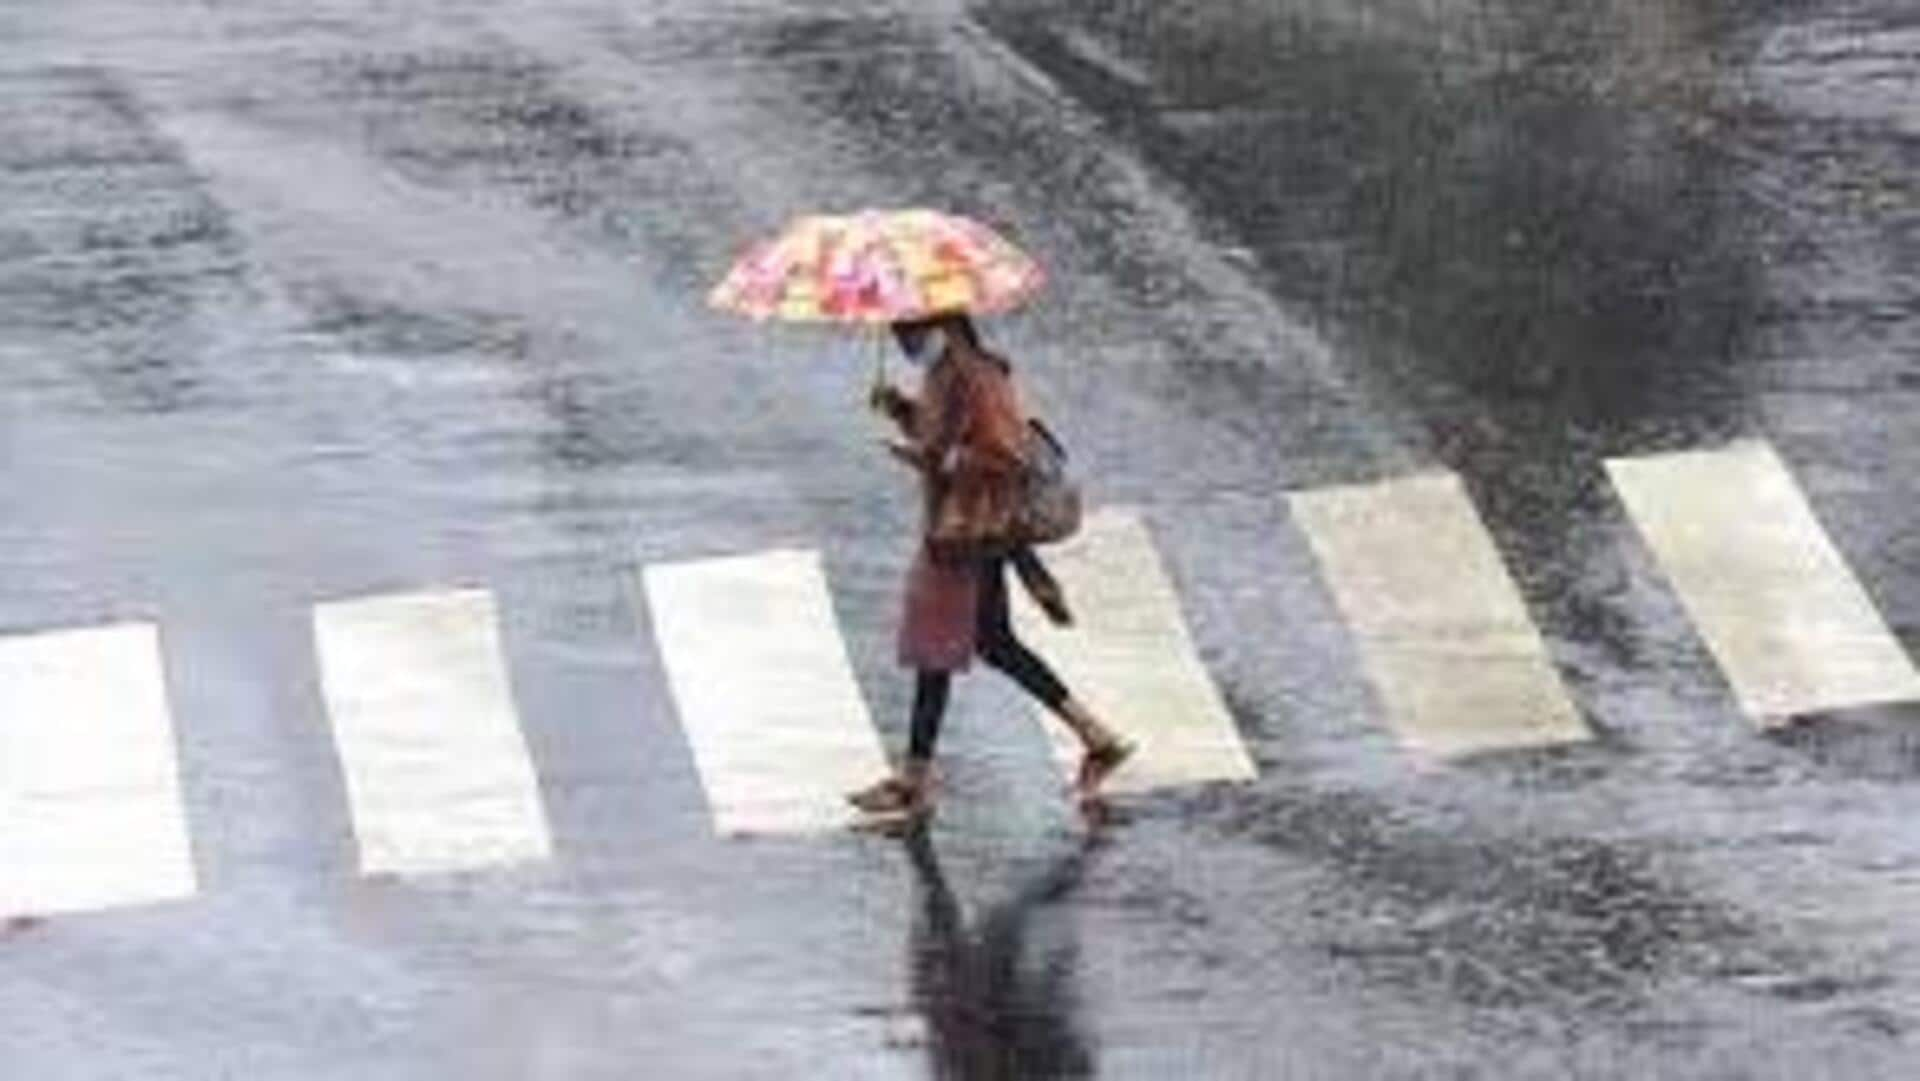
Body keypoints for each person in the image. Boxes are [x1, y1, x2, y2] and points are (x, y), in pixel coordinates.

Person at [848, 312, 1135, 824]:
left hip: (972, 529)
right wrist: (901, 411)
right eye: (899, 332)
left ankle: (916, 779)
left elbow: (1004, 453)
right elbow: (942, 435)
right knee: (986, 643)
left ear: (948, 327)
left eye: (911, 330)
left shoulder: (980, 376)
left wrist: (931, 461)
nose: (905, 341)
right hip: (959, 529)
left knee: (937, 648)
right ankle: (1095, 736)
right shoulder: (947, 375)